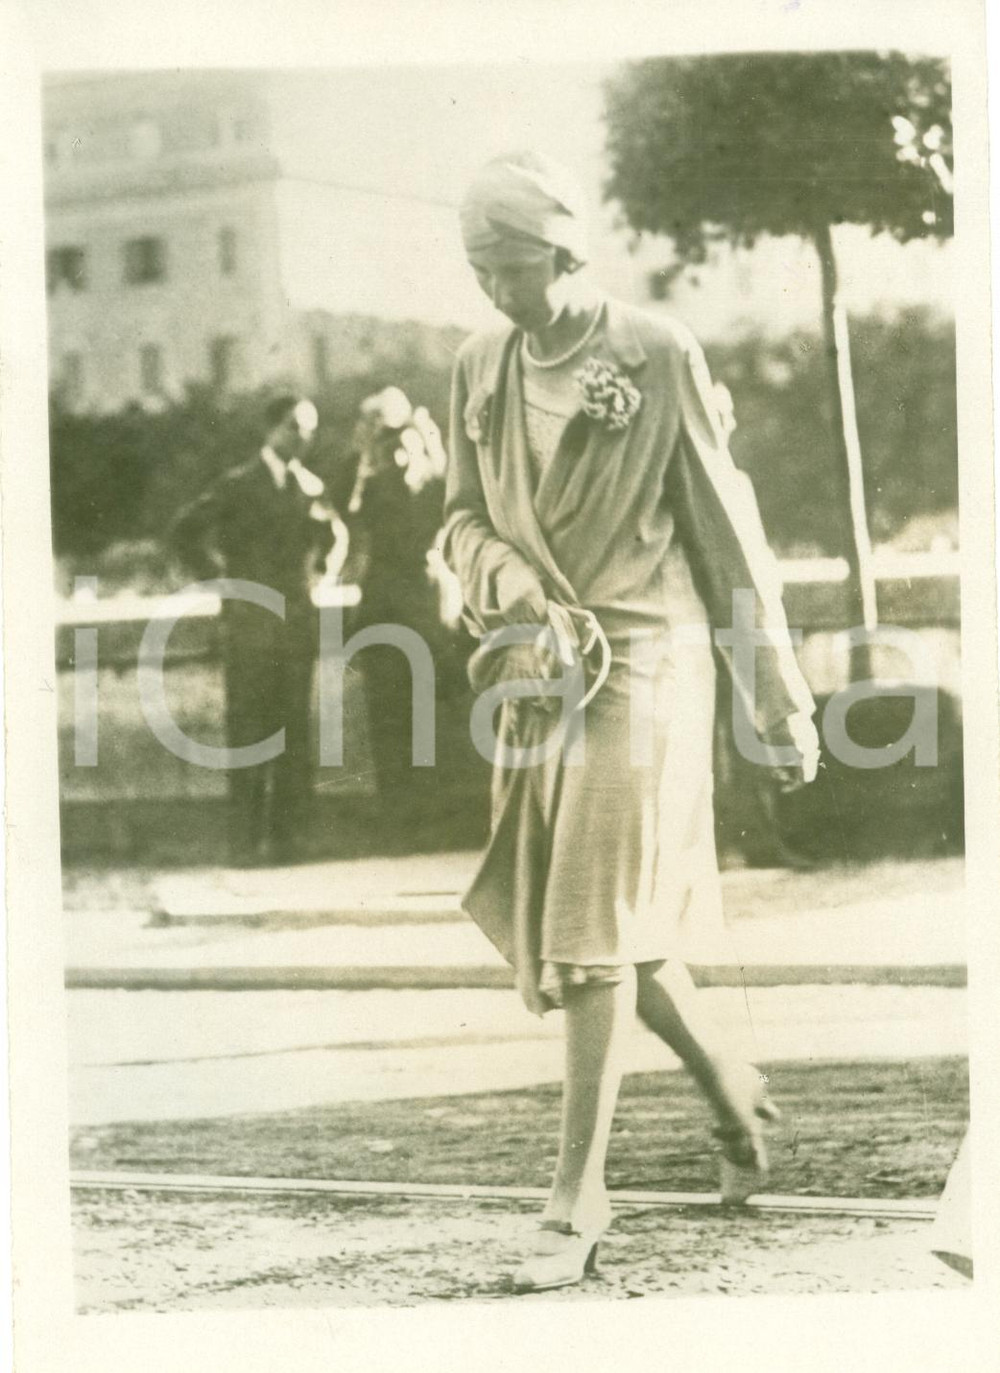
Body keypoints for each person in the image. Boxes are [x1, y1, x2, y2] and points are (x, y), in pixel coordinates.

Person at [443, 151, 820, 1292]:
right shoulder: (476, 363)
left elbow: (727, 533)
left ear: (561, 252)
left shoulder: (655, 353)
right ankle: (732, 1091)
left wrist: (779, 697)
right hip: (539, 675)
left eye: (506, 266)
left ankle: (576, 1198)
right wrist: (504, 575)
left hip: (648, 666)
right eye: (475, 270)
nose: (491, 291)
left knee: (592, 922)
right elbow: (459, 522)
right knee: (608, 925)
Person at [168, 393, 336, 866]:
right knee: (246, 736)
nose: (302, 438)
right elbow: (184, 530)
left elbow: (331, 538)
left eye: (309, 429)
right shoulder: (238, 484)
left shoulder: (309, 487)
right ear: (270, 429)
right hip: (249, 630)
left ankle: (290, 841)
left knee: (294, 733)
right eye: (293, 427)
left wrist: (320, 572)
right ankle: (244, 844)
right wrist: (221, 583)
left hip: (295, 627)